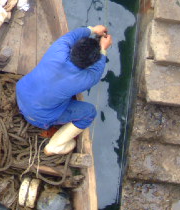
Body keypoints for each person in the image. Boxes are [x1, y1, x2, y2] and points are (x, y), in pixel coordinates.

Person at [15, 25, 113, 155]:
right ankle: (55, 146)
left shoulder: (59, 48)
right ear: (91, 62)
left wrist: (92, 30)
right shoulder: (87, 79)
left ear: (75, 47)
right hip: (37, 117)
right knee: (89, 112)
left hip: (21, 94)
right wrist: (103, 49)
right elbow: (97, 70)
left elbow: (72, 35)